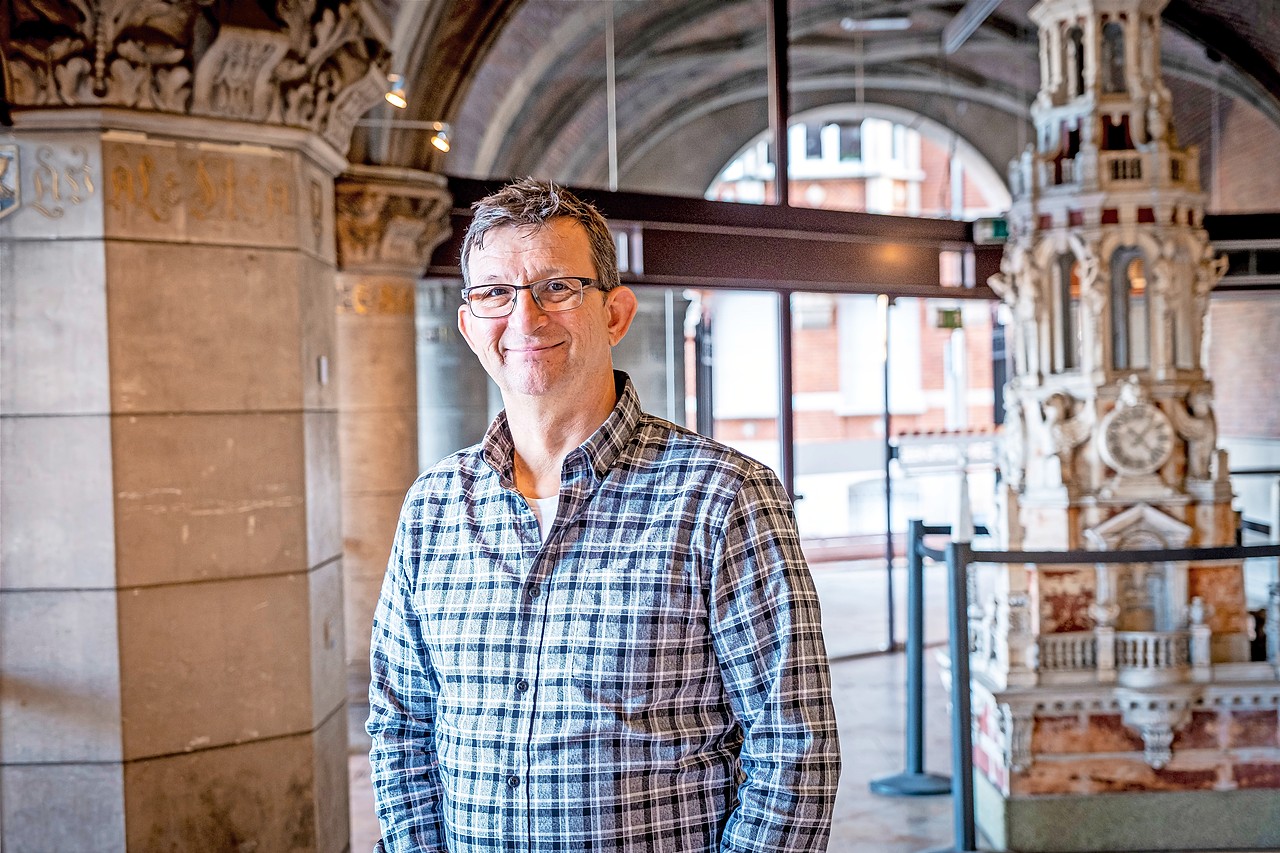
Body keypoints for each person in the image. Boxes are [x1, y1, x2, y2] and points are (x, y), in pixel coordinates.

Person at [367, 178, 840, 853]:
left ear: (615, 313)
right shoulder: (434, 506)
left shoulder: (725, 497)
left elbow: (796, 745)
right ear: (470, 323)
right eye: (496, 292)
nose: (524, 319)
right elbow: (400, 724)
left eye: (557, 288)